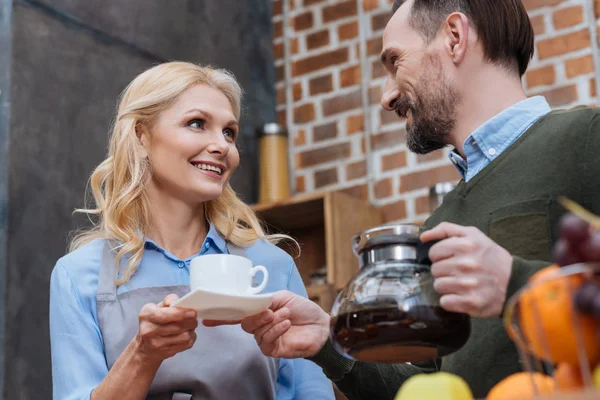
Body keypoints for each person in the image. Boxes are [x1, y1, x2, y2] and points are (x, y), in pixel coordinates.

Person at [204, 0, 600, 398]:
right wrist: (327, 342)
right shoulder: (442, 220)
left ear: (455, 37)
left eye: (395, 61)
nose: (386, 96)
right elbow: (428, 387)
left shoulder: (585, 140)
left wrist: (513, 283)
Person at [49, 61, 335, 400]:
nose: (222, 146)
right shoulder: (78, 275)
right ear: (141, 136)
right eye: (197, 124)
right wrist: (143, 355)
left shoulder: (272, 266)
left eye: (229, 132)